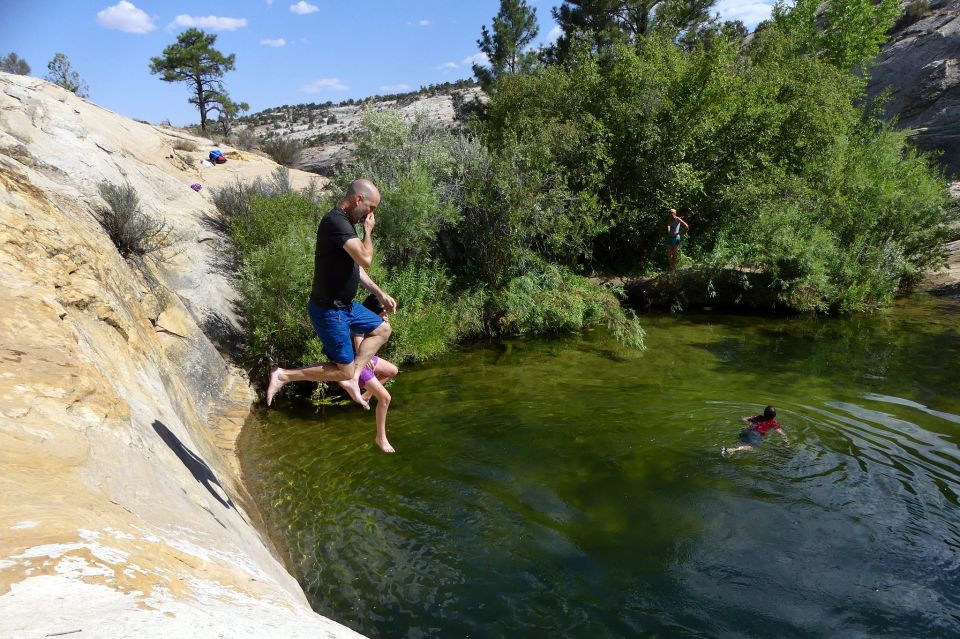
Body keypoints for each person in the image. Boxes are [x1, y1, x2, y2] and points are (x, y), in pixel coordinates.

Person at [266, 179, 396, 409]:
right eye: (371, 208)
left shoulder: (346, 224)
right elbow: (366, 259)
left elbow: (355, 268)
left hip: (346, 306)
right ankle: (284, 375)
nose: (371, 214)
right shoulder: (335, 222)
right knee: (342, 371)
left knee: (382, 329)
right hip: (329, 310)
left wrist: (380, 293)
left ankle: (353, 377)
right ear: (358, 200)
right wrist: (368, 232)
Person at [341, 294, 400, 453]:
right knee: (385, 398)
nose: (386, 315)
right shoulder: (359, 324)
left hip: (369, 359)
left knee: (392, 371)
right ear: (373, 311)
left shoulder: (374, 322)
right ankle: (380, 438)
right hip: (357, 365)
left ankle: (366, 395)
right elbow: (360, 349)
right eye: (383, 312)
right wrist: (365, 358)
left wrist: (383, 323)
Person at [722, 405, 789, 456]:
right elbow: (781, 433)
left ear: (764, 413)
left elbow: (743, 419)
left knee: (742, 442)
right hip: (756, 434)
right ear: (774, 415)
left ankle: (731, 450)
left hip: (746, 431)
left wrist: (746, 420)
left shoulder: (758, 417)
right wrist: (786, 442)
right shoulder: (773, 422)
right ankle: (733, 449)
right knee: (752, 448)